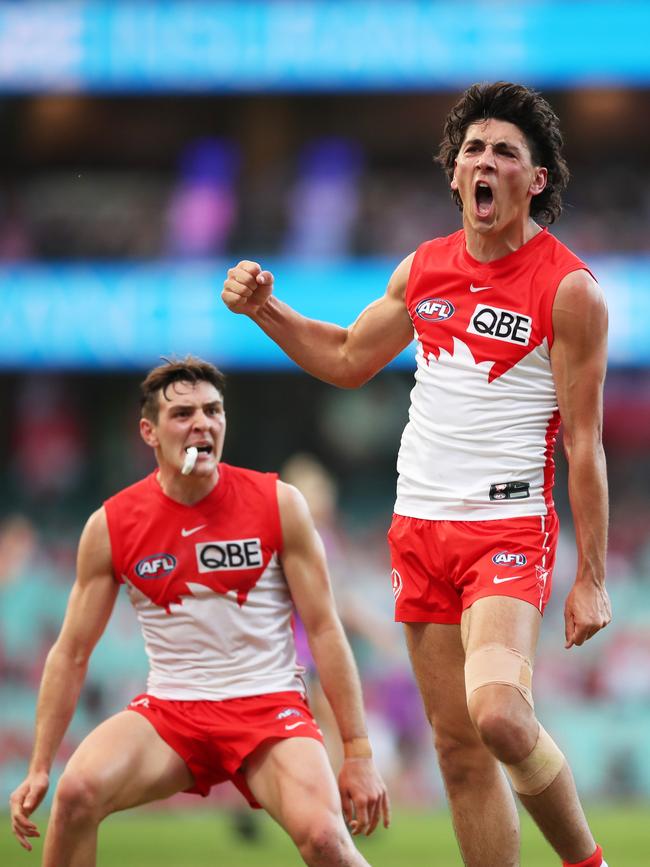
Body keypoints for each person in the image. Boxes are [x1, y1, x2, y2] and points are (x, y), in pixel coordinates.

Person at [221, 82, 612, 867]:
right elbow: (344, 356)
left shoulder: (568, 290)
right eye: (475, 148)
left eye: (507, 152)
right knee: (459, 750)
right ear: (453, 171)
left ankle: (586, 861)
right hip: (420, 528)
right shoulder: (423, 269)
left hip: (506, 527)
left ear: (535, 181)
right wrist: (268, 310)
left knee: (499, 715)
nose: (487, 162)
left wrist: (593, 575)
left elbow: (584, 444)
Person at [10, 357, 389, 867]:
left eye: (213, 410)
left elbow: (324, 629)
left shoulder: (278, 503)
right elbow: (71, 652)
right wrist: (39, 766)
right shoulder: (113, 525)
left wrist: (359, 753)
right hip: (171, 712)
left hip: (268, 708)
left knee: (326, 840)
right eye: (183, 413)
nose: (201, 423)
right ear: (149, 431)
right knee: (75, 794)